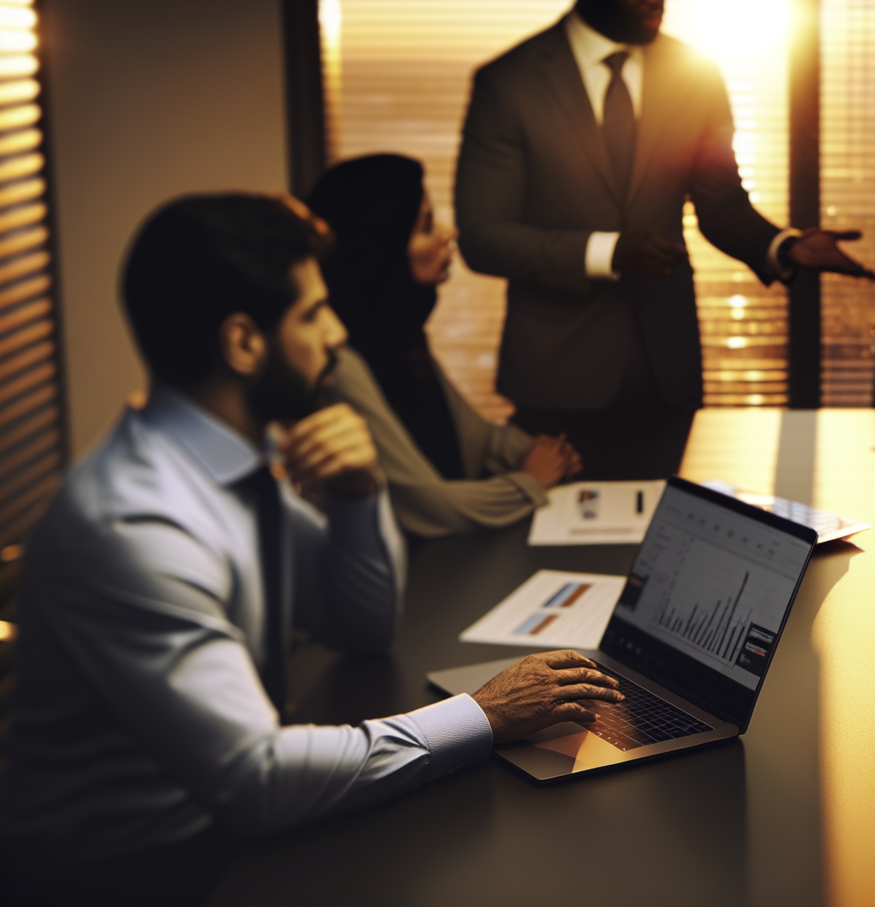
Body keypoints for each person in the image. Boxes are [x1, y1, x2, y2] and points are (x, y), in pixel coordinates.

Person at [0, 195, 625, 906]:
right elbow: (259, 780)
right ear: (243, 343)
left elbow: (360, 627)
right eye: (313, 313)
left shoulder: (238, 457)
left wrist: (360, 496)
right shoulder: (136, 526)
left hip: (218, 834)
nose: (337, 333)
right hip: (137, 877)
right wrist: (482, 715)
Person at [455, 0, 874, 476]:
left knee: (669, 527)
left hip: (667, 374)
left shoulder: (696, 74)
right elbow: (484, 237)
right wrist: (607, 253)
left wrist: (785, 246)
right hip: (558, 379)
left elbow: (721, 205)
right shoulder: (509, 83)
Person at [307, 153, 582, 538]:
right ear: (381, 245)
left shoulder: (401, 338)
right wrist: (529, 482)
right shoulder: (341, 365)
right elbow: (428, 505)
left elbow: (476, 436)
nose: (448, 232)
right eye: (425, 225)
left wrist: (539, 452)